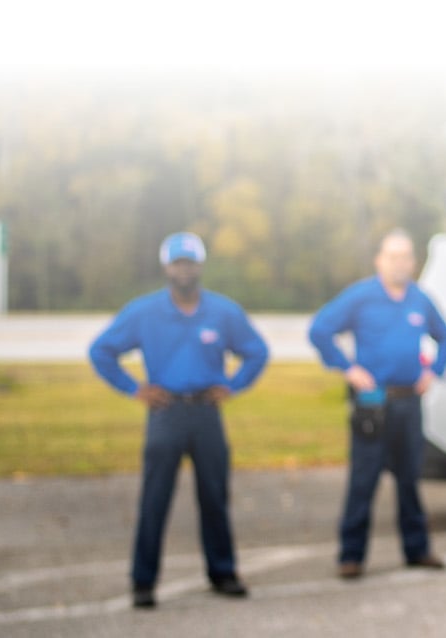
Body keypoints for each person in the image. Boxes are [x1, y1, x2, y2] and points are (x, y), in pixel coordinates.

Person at [89, 232, 268, 609]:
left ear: (199, 266)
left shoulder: (223, 312)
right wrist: (133, 388)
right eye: (177, 263)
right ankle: (143, 581)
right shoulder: (145, 311)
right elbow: (101, 350)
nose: (183, 269)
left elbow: (256, 351)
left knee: (215, 497)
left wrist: (233, 384)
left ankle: (223, 572)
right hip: (165, 413)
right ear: (166, 267)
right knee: (155, 500)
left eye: (189, 262)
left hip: (206, 413)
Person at [308, 229, 446, 579]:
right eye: (392, 256)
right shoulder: (361, 296)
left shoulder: (419, 299)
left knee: (409, 480)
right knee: (364, 479)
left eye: (405, 257)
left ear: (413, 263)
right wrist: (348, 369)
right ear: (379, 260)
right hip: (372, 404)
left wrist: (433, 370)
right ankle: (352, 555)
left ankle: (417, 549)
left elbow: (445, 336)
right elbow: (320, 330)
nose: (399, 263)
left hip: (408, 403)